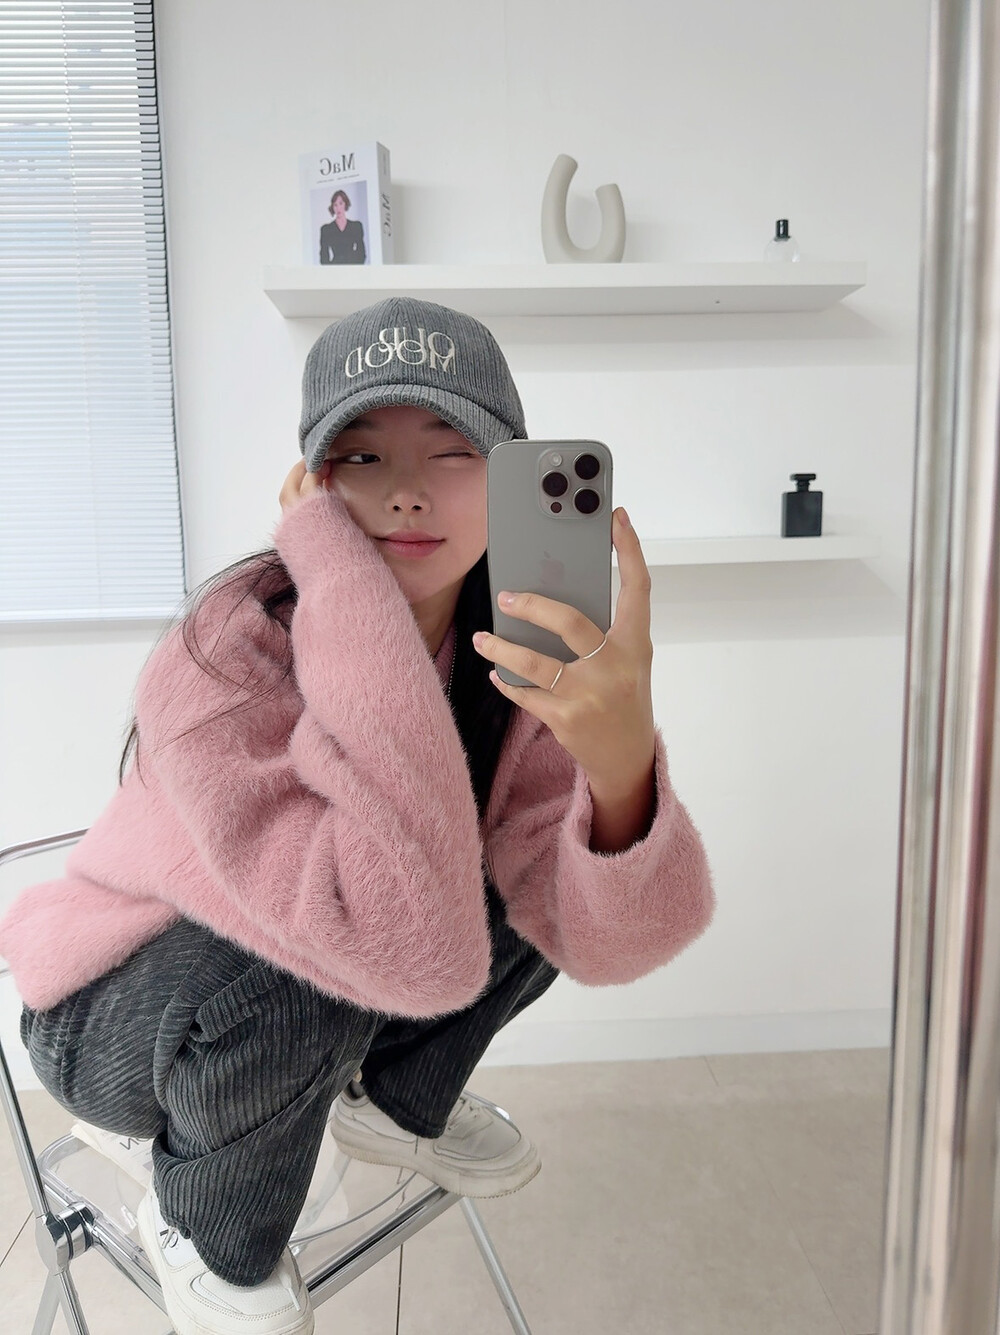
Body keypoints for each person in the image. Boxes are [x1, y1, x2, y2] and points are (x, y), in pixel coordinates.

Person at [0, 297, 715, 1335]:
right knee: (318, 960)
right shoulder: (229, 645)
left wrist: (619, 773)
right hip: (113, 1009)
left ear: (513, 477)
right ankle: (201, 1222)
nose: (408, 491)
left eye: (453, 452)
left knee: (552, 884)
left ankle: (392, 1101)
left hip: (310, 981)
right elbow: (372, 929)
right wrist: (336, 577)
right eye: (362, 457)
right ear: (313, 484)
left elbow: (602, 937)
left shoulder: (519, 656)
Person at [319, 188, 366, 264]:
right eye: (335, 205)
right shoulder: (326, 229)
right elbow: (323, 256)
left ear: (345, 204)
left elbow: (361, 253)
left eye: (341, 203)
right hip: (335, 267)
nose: (338, 208)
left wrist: (356, 268)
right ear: (332, 207)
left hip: (352, 267)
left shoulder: (356, 226)